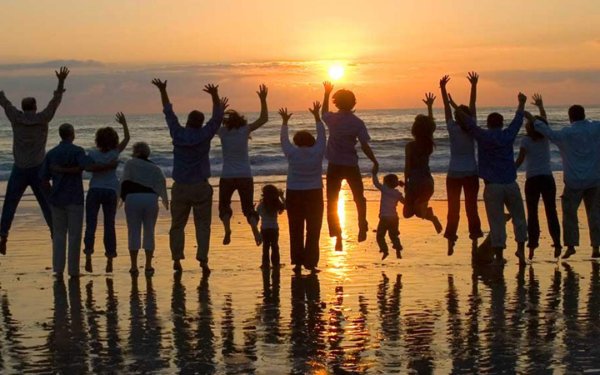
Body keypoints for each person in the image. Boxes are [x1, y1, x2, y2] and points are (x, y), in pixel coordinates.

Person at [152, 78, 227, 275]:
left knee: (177, 225)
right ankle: (203, 260)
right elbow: (217, 117)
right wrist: (214, 95)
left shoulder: (178, 133)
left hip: (181, 187)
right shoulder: (205, 134)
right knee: (203, 225)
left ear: (187, 121)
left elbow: (168, 112)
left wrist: (163, 90)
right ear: (201, 122)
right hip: (200, 186)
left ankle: (177, 258)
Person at [0, 67, 69, 255]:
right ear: (35, 107)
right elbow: (55, 102)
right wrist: (60, 82)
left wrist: (2, 94)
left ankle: (3, 234)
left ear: (23, 108)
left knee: (10, 204)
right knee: (46, 204)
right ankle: (55, 235)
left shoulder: (16, 118)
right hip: (39, 168)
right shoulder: (43, 118)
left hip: (19, 168)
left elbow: (4, 103)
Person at [454, 93, 528, 265]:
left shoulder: (483, 136)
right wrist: (521, 103)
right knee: (519, 218)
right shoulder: (508, 134)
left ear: (488, 124)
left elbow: (469, 122)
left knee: (496, 223)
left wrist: (454, 105)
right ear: (501, 124)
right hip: (510, 183)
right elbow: (518, 120)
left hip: (492, 186)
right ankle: (521, 251)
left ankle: (500, 257)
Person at [39, 123, 114, 278]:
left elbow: (44, 180)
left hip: (57, 198)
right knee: (74, 235)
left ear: (60, 135)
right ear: (72, 134)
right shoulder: (77, 151)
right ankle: (73, 270)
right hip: (74, 198)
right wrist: (110, 165)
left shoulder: (52, 153)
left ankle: (58, 269)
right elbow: (89, 167)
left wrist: (50, 194)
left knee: (59, 234)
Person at [533, 104, 600, 259]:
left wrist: (533, 120)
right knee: (595, 214)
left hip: (574, 180)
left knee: (570, 214)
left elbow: (548, 133)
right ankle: (596, 246)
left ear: (570, 117)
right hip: (594, 178)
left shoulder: (566, 133)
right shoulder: (595, 127)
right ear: (584, 115)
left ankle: (570, 246)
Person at [321, 81, 378, 251]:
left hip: (334, 165)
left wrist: (326, 93)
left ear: (336, 102)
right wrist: (374, 160)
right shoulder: (357, 122)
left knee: (332, 200)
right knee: (359, 197)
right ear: (353, 103)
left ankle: (337, 235)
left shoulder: (332, 119)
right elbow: (364, 145)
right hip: (351, 165)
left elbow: (323, 112)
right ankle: (362, 224)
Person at [218, 84, 268, 246]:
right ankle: (254, 227)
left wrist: (219, 109)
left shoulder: (223, 132)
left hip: (227, 176)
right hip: (245, 175)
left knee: (224, 205)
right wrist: (263, 99)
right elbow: (264, 119)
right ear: (241, 121)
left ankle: (227, 229)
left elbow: (212, 124)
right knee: (247, 207)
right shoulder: (245, 130)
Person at [439, 74, 483, 256]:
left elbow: (447, 111)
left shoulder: (452, 127)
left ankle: (450, 239)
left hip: (454, 173)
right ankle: (473, 239)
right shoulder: (472, 128)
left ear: (457, 117)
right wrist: (473, 86)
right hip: (471, 172)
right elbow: (473, 107)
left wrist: (442, 89)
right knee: (471, 207)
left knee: (453, 208)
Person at [279, 103, 326, 274]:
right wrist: (317, 117)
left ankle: (297, 263)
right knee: (313, 229)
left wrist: (284, 122)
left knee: (295, 228)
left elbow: (283, 140)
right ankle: (311, 263)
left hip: (294, 193)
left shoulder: (292, 153)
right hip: (314, 192)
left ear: (297, 141)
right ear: (311, 141)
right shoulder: (318, 152)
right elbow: (323, 136)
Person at [515, 94, 562, 259]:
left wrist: (511, 170)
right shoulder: (545, 138)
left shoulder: (526, 141)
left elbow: (520, 160)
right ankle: (557, 244)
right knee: (551, 211)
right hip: (547, 178)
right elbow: (544, 122)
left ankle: (532, 247)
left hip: (533, 179)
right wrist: (541, 107)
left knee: (532, 213)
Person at [83, 112, 130, 273]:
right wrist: (124, 124)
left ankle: (88, 256)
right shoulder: (114, 153)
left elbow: (88, 168)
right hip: (110, 190)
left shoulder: (93, 153)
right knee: (109, 225)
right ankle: (109, 258)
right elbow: (127, 139)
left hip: (95, 189)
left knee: (91, 224)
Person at [120, 142, 169, 276]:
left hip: (133, 198)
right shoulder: (155, 168)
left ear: (135, 152)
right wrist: (165, 200)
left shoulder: (130, 164)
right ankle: (148, 265)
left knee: (133, 231)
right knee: (149, 231)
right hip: (150, 199)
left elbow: (124, 182)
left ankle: (134, 266)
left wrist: (122, 198)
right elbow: (161, 184)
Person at [402, 96, 443, 233]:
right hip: (427, 183)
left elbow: (407, 166)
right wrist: (430, 107)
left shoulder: (410, 146)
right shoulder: (428, 144)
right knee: (415, 212)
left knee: (408, 213)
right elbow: (431, 127)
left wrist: (406, 182)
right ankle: (427, 212)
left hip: (415, 183)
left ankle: (427, 212)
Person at [372, 167, 405, 260]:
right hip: (394, 218)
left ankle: (385, 250)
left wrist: (374, 174)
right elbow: (405, 202)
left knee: (380, 236)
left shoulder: (385, 189)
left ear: (386, 183)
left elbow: (376, 183)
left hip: (384, 218)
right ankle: (398, 250)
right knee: (393, 235)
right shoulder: (397, 193)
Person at [256, 184, 285, 269]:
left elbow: (257, 214)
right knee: (275, 246)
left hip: (264, 228)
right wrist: (281, 197)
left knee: (265, 247)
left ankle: (265, 264)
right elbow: (285, 206)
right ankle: (276, 263)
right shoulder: (276, 204)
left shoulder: (261, 205)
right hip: (274, 228)